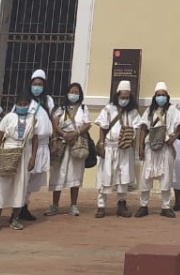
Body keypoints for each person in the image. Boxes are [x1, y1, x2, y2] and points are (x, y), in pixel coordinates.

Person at [95, 80, 143, 218]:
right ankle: (101, 205)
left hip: (124, 149)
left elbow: (136, 128)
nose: (124, 100)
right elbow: (102, 127)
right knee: (105, 176)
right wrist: (101, 145)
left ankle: (121, 204)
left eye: (127, 97)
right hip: (109, 148)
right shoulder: (108, 109)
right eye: (122, 97)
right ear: (117, 96)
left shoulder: (133, 112)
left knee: (123, 177)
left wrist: (129, 139)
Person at [0, 95, 39, 231]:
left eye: (25, 104)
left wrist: (33, 157)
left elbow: (35, 139)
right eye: (20, 103)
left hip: (24, 153)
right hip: (7, 151)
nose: (22, 106)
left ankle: (15, 218)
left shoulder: (34, 119)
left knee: (21, 186)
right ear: (15, 104)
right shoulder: (8, 117)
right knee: (1, 185)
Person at [137, 81, 180, 218]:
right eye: (158, 95)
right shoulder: (149, 110)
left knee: (165, 177)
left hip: (165, 147)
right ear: (154, 96)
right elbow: (143, 129)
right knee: (146, 177)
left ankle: (166, 206)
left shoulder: (173, 110)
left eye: (163, 95)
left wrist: (173, 138)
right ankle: (143, 205)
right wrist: (140, 147)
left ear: (167, 96)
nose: (160, 97)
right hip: (150, 147)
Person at [47, 82, 91, 216]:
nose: (74, 94)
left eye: (77, 92)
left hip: (76, 145)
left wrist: (75, 134)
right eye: (72, 92)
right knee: (57, 174)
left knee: (75, 175)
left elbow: (87, 124)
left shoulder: (83, 108)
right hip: (61, 144)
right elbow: (55, 124)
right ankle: (55, 205)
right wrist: (64, 134)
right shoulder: (61, 108)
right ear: (67, 93)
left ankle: (73, 205)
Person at [21, 69, 56, 221]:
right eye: (34, 84)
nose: (37, 87)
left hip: (43, 144)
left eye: (40, 84)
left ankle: (24, 205)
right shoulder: (24, 99)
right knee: (23, 177)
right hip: (28, 144)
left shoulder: (48, 100)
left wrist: (53, 140)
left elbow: (52, 119)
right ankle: (17, 207)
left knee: (35, 178)